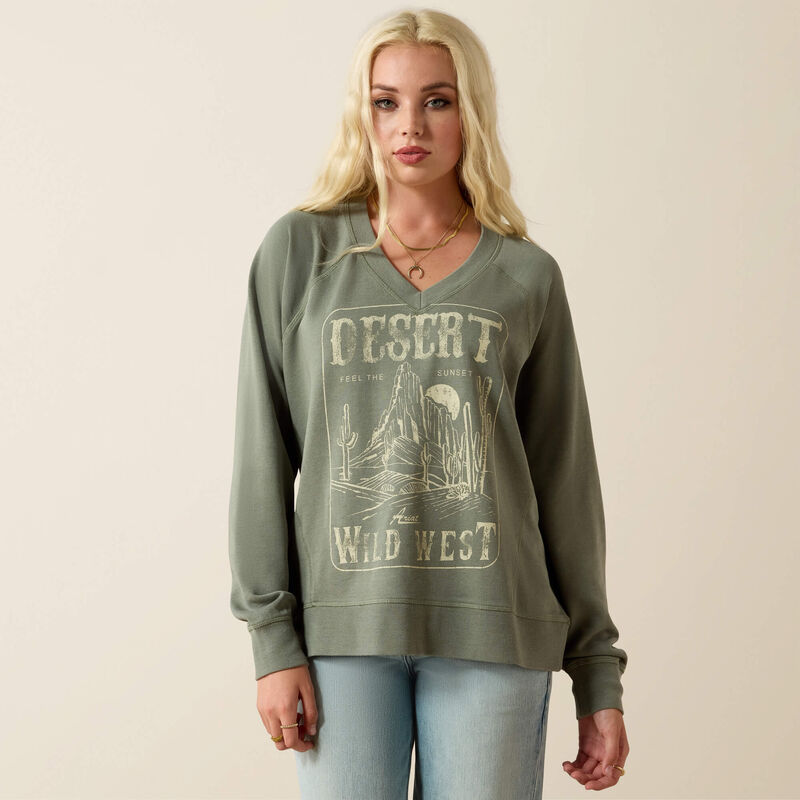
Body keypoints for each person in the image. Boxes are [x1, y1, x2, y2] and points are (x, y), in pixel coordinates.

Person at [228, 9, 630, 798]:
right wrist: (272, 640)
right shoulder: (299, 254)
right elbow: (261, 458)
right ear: (364, 113)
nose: (409, 125)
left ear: (469, 111)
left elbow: (565, 482)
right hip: (342, 632)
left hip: (495, 629)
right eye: (386, 102)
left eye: (436, 101)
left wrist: (597, 672)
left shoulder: (525, 275)